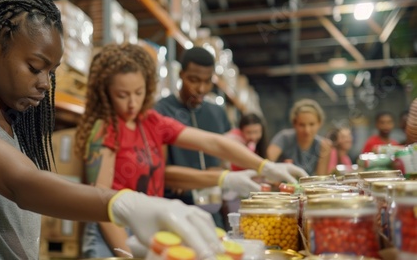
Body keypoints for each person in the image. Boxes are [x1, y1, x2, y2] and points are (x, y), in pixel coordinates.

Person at [0, 0, 226, 259]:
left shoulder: (14, 125)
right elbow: (21, 184)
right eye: (35, 67)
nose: (45, 84)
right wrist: (125, 204)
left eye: (51, 72)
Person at [74, 43, 308, 258]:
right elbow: (101, 200)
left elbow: (213, 143)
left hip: (148, 225)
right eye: (122, 95)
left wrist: (264, 166)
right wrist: (126, 253)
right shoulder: (106, 129)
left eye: (139, 92)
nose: (133, 103)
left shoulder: (151, 122)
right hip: (112, 229)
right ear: (105, 93)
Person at [154, 47, 231, 227]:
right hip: (175, 212)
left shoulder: (218, 113)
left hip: (213, 212)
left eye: (207, 81)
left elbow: (225, 160)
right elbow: (159, 170)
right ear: (181, 74)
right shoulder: (161, 111)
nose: (201, 89)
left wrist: (221, 170)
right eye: (194, 80)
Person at [267, 98, 331, 176]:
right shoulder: (284, 138)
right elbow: (267, 163)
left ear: (319, 123)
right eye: (302, 125)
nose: (307, 130)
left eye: (312, 124)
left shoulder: (323, 145)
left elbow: (321, 177)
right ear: (294, 124)